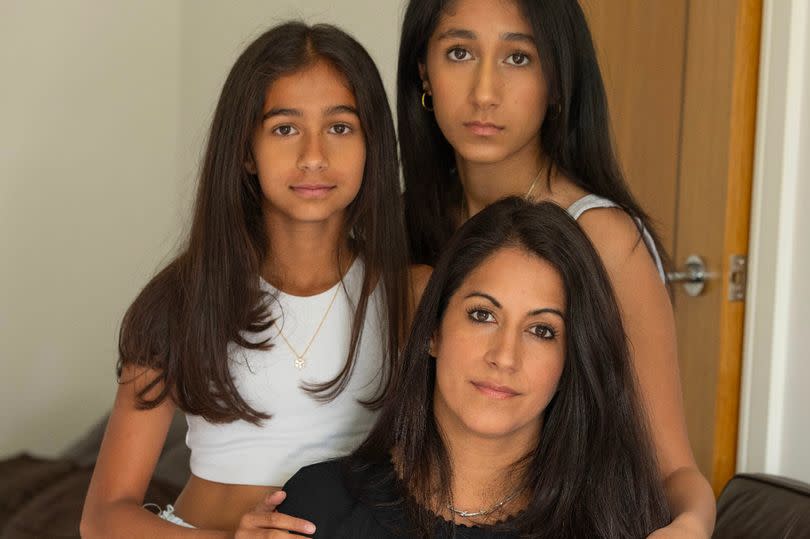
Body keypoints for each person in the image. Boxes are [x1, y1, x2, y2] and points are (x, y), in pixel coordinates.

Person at [81, 22, 428, 537]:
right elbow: (103, 517)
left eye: (340, 127)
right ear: (247, 151)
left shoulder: (412, 294)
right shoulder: (181, 300)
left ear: (371, 144)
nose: (314, 156)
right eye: (285, 128)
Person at [397, 0, 715, 535]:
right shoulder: (401, 224)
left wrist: (693, 524)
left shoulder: (603, 237)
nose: (484, 92)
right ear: (424, 72)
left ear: (558, 79)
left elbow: (673, 468)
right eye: (459, 51)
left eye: (518, 58)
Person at [274, 198, 671, 538]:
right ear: (433, 330)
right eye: (482, 315)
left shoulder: (617, 524)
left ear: (572, 359)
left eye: (541, 330)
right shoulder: (314, 509)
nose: (504, 356)